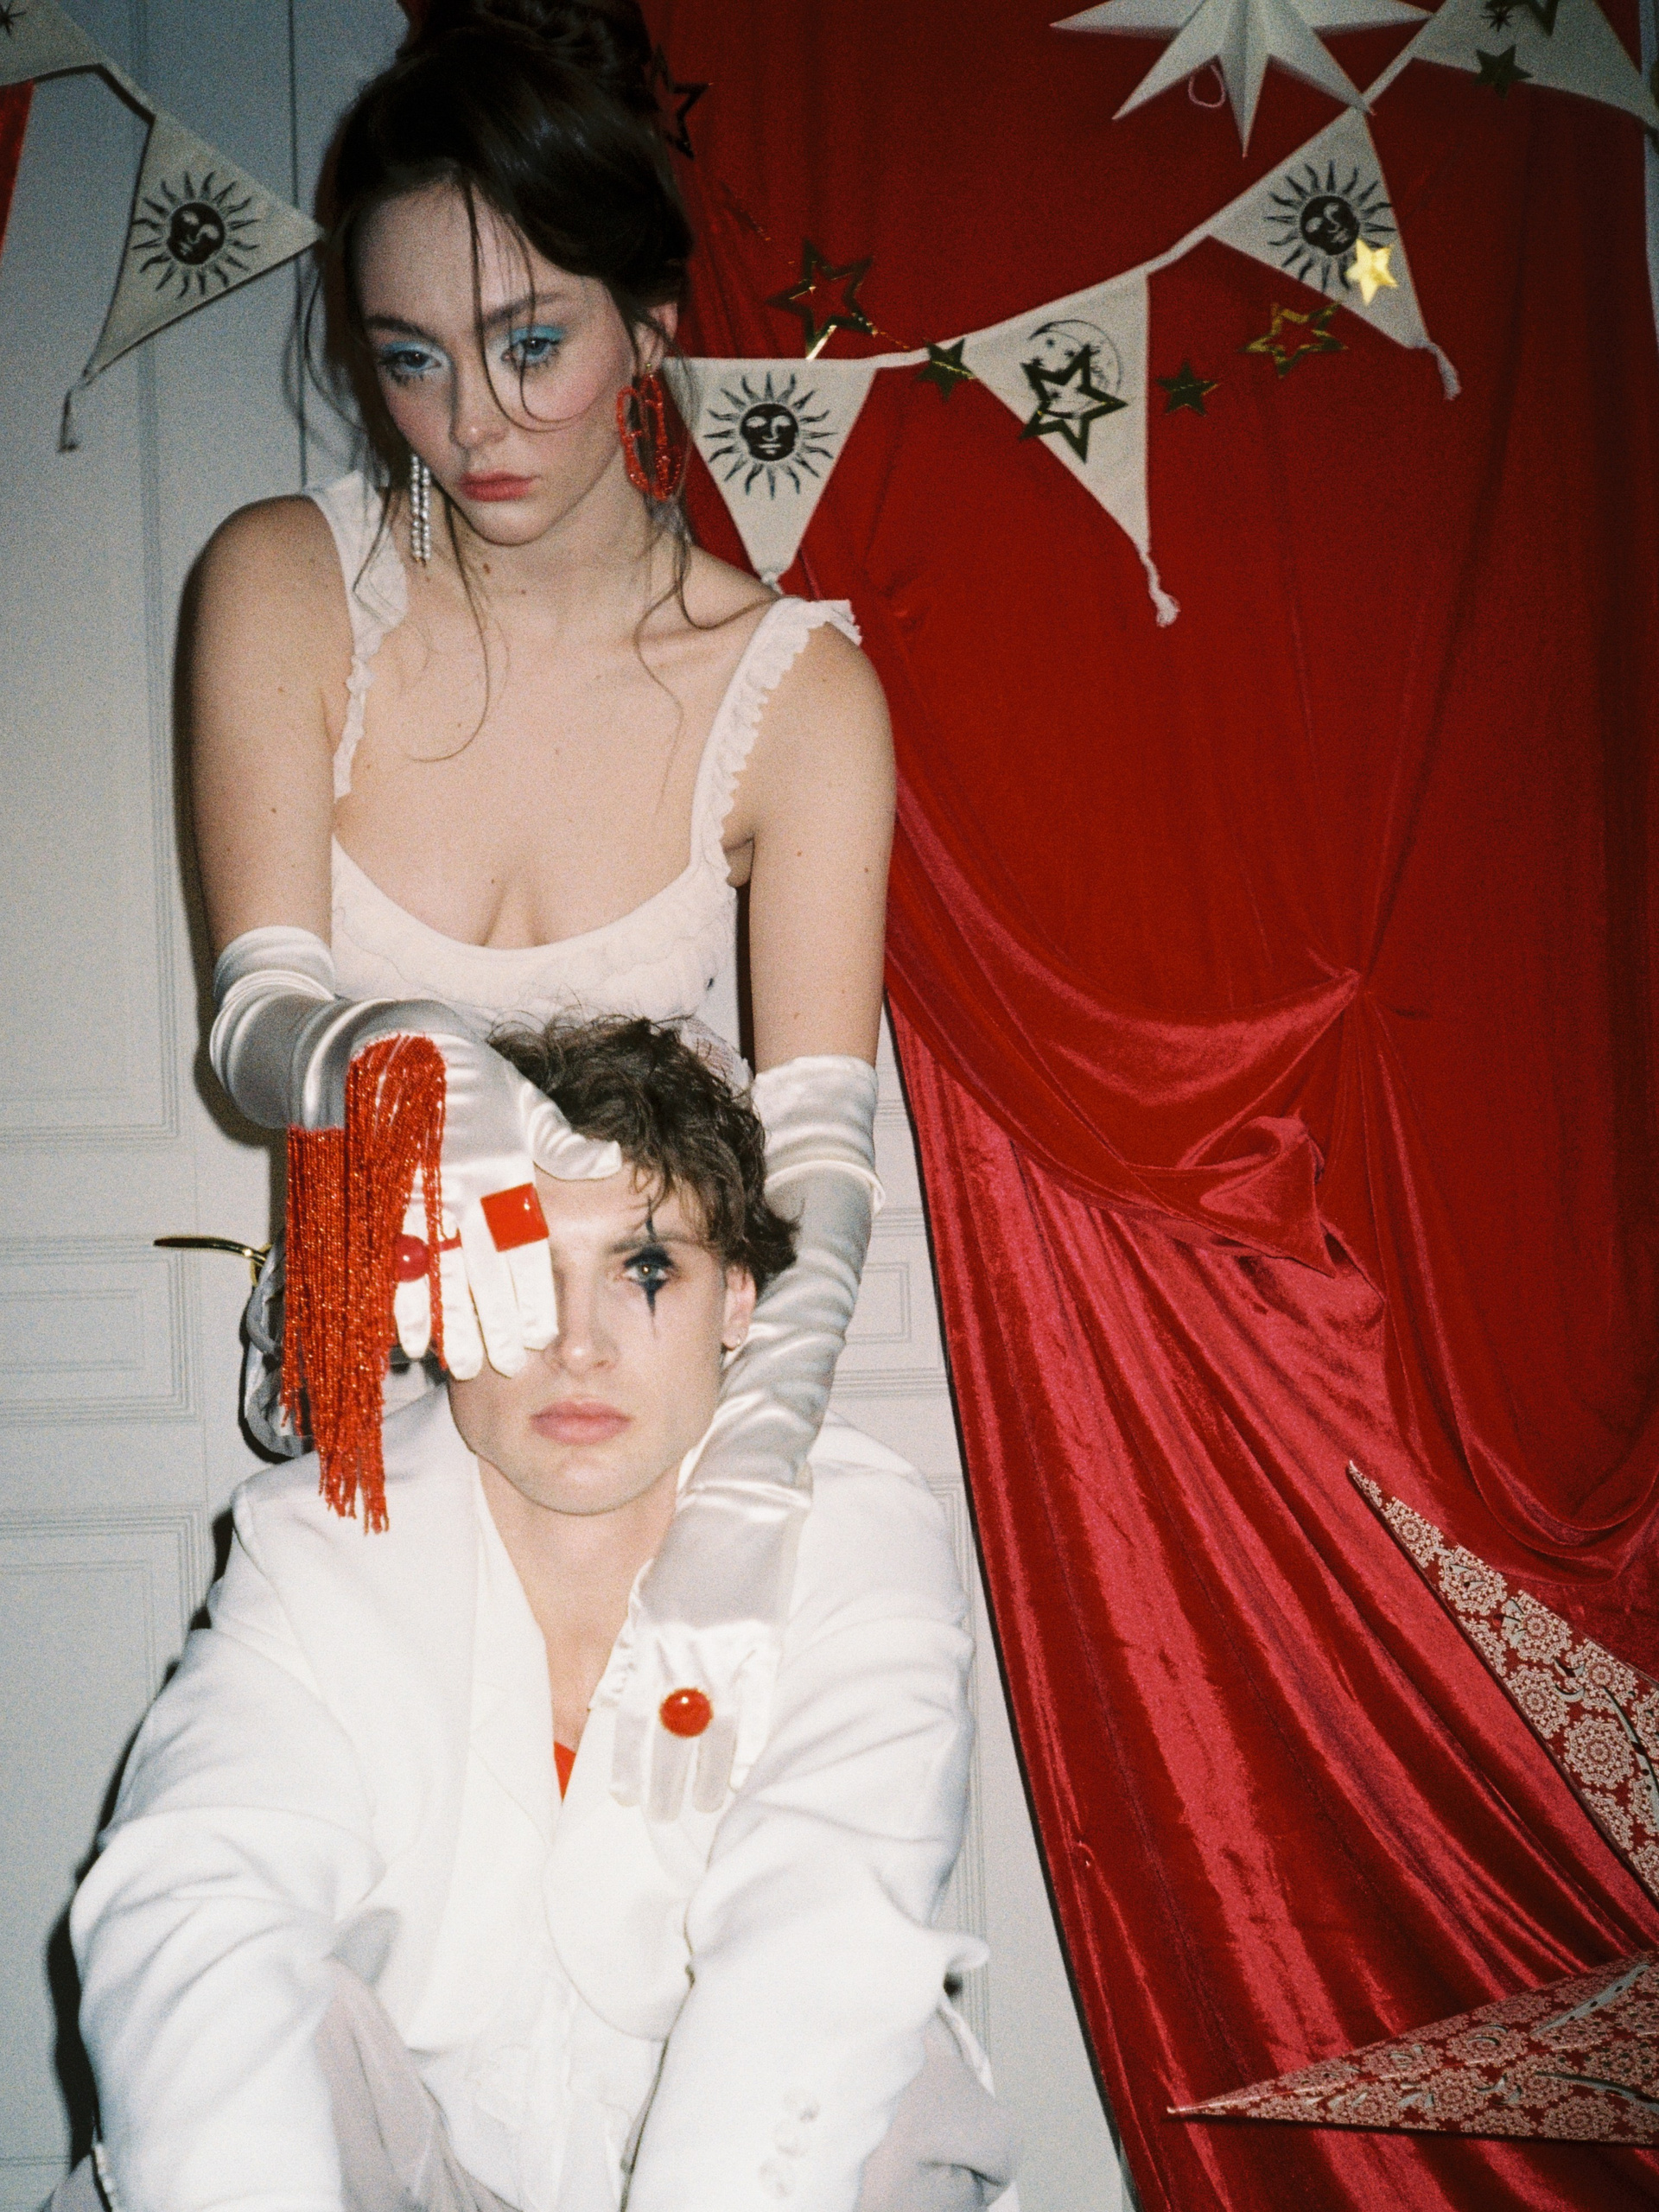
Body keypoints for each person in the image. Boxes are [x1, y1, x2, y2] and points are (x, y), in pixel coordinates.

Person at [189, 0, 894, 1815]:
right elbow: (256, 1018)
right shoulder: (286, 581)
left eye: (529, 343)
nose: (471, 423)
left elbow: (820, 1152)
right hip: (363, 1404)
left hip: (641, 1437)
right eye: (409, 359)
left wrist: (758, 1470)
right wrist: (400, 1056)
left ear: (648, 323)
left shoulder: (797, 695)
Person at [59, 1019, 1020, 2212]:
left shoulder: (854, 1534)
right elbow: (197, 1903)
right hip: (428, 2165)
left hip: (767, 2168)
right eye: (515, 1267)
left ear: (738, 1300)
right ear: (439, 1293)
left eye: (644, 1269)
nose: (576, 1345)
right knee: (257, 2032)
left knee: (888, 2080)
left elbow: (820, 1943)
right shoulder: (316, 1543)